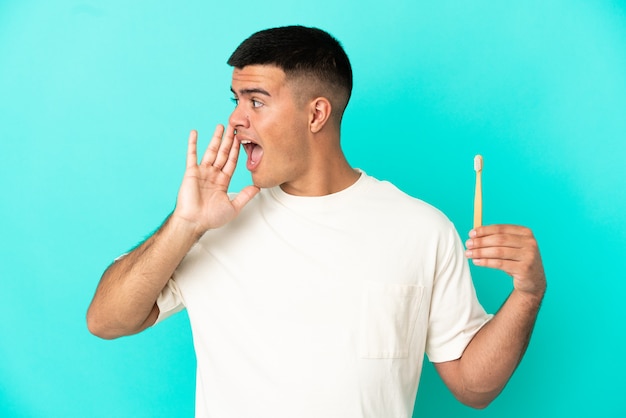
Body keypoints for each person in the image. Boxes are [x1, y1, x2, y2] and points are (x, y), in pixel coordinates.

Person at [87, 25, 546, 417]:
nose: (235, 118)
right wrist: (185, 224)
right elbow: (106, 321)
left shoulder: (422, 229)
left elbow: (473, 386)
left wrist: (528, 294)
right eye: (236, 99)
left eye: (256, 101)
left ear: (316, 113)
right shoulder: (211, 227)